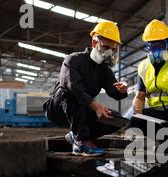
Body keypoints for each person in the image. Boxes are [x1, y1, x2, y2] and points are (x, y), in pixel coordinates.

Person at [43, 20, 128, 157]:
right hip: (58, 109)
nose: (109, 53)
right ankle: (81, 142)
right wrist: (96, 106)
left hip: (81, 111)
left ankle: (76, 135)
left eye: (112, 49)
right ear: (95, 43)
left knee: (116, 119)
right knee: (72, 93)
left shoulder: (105, 71)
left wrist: (122, 90)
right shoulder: (73, 60)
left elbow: (114, 92)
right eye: (106, 47)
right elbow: (71, 86)